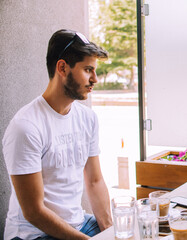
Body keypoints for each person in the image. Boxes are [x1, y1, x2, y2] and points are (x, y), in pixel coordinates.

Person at [2, 29, 112, 240]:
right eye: (88, 69)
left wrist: (110, 233)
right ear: (62, 67)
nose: (95, 79)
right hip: (33, 234)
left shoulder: (88, 118)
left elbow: (95, 182)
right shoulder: (26, 126)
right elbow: (34, 212)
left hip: (79, 225)